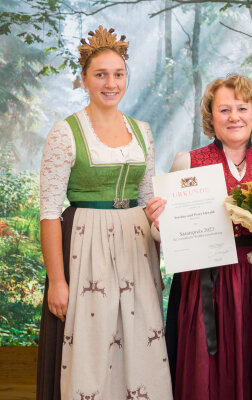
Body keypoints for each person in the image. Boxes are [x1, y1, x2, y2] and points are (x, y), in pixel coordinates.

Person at [36, 26, 172, 399]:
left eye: (118, 74)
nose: (110, 83)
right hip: (85, 245)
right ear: (84, 79)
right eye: (100, 75)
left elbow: (147, 200)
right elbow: (49, 212)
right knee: (91, 346)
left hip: (135, 249)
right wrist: (57, 281)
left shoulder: (142, 130)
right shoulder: (65, 133)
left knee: (139, 341)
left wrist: (164, 218)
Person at [154, 75, 252, 400]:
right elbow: (165, 229)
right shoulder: (188, 162)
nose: (234, 116)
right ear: (211, 116)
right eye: (224, 109)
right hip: (203, 282)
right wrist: (157, 219)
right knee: (205, 371)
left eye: (241, 108)